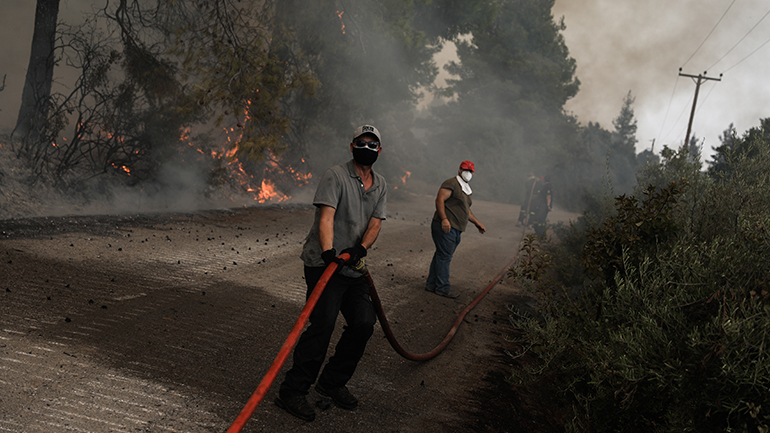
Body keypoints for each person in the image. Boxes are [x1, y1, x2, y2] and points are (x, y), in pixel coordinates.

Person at [276, 125, 387, 422]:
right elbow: (326, 217)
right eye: (361, 142)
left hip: (353, 267)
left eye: (372, 144)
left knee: (364, 323)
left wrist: (361, 249)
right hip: (323, 264)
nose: (367, 147)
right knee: (323, 324)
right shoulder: (335, 175)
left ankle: (331, 382)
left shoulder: (381, 184)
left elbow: (376, 223)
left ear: (380, 151)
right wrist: (329, 253)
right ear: (352, 146)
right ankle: (292, 390)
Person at [425, 160, 486, 299]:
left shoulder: (466, 188)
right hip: (446, 226)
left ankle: (431, 284)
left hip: (456, 228)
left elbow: (466, 210)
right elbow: (439, 200)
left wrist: (477, 223)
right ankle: (443, 287)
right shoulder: (452, 183)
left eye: (471, 171)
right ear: (459, 170)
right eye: (466, 170)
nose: (468, 173)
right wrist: (444, 219)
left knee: (441, 255)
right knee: (445, 256)